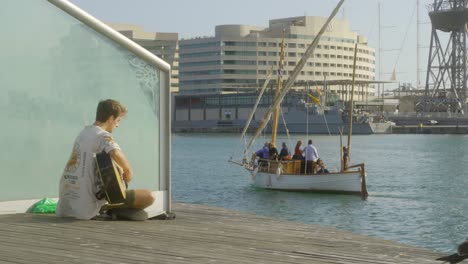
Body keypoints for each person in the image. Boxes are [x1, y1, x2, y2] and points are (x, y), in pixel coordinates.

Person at [56, 99, 155, 220]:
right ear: (110, 119)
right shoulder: (102, 135)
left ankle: (112, 208)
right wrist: (128, 172)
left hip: (65, 207)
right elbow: (115, 152)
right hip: (84, 209)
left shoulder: (83, 133)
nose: (117, 125)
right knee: (149, 196)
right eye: (118, 121)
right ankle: (108, 209)